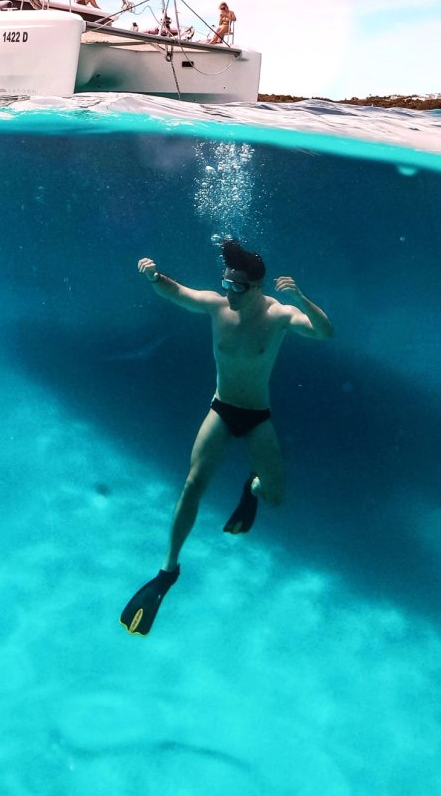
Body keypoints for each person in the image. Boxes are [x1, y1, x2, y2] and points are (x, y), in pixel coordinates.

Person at [119, 238, 333, 635]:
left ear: (256, 287)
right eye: (225, 284)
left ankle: (252, 487)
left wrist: (303, 300)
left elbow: (324, 333)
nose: (228, 292)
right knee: (192, 485)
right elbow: (179, 292)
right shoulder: (218, 306)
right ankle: (167, 571)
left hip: (256, 415)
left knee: (275, 497)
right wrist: (153, 276)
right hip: (222, 408)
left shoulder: (280, 315)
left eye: (237, 286)